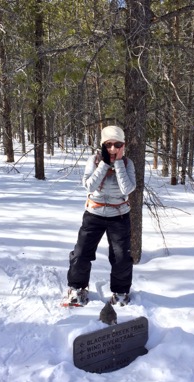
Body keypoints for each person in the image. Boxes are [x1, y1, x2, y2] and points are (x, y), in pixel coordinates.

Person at [65, 125, 136, 306]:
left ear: (123, 145)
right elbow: (89, 186)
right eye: (108, 144)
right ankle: (77, 289)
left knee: (121, 256)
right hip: (94, 214)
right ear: (102, 145)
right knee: (81, 253)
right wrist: (104, 164)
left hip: (119, 216)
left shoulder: (128, 163)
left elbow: (127, 189)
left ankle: (120, 293)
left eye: (117, 144)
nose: (113, 149)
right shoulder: (94, 161)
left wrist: (118, 163)